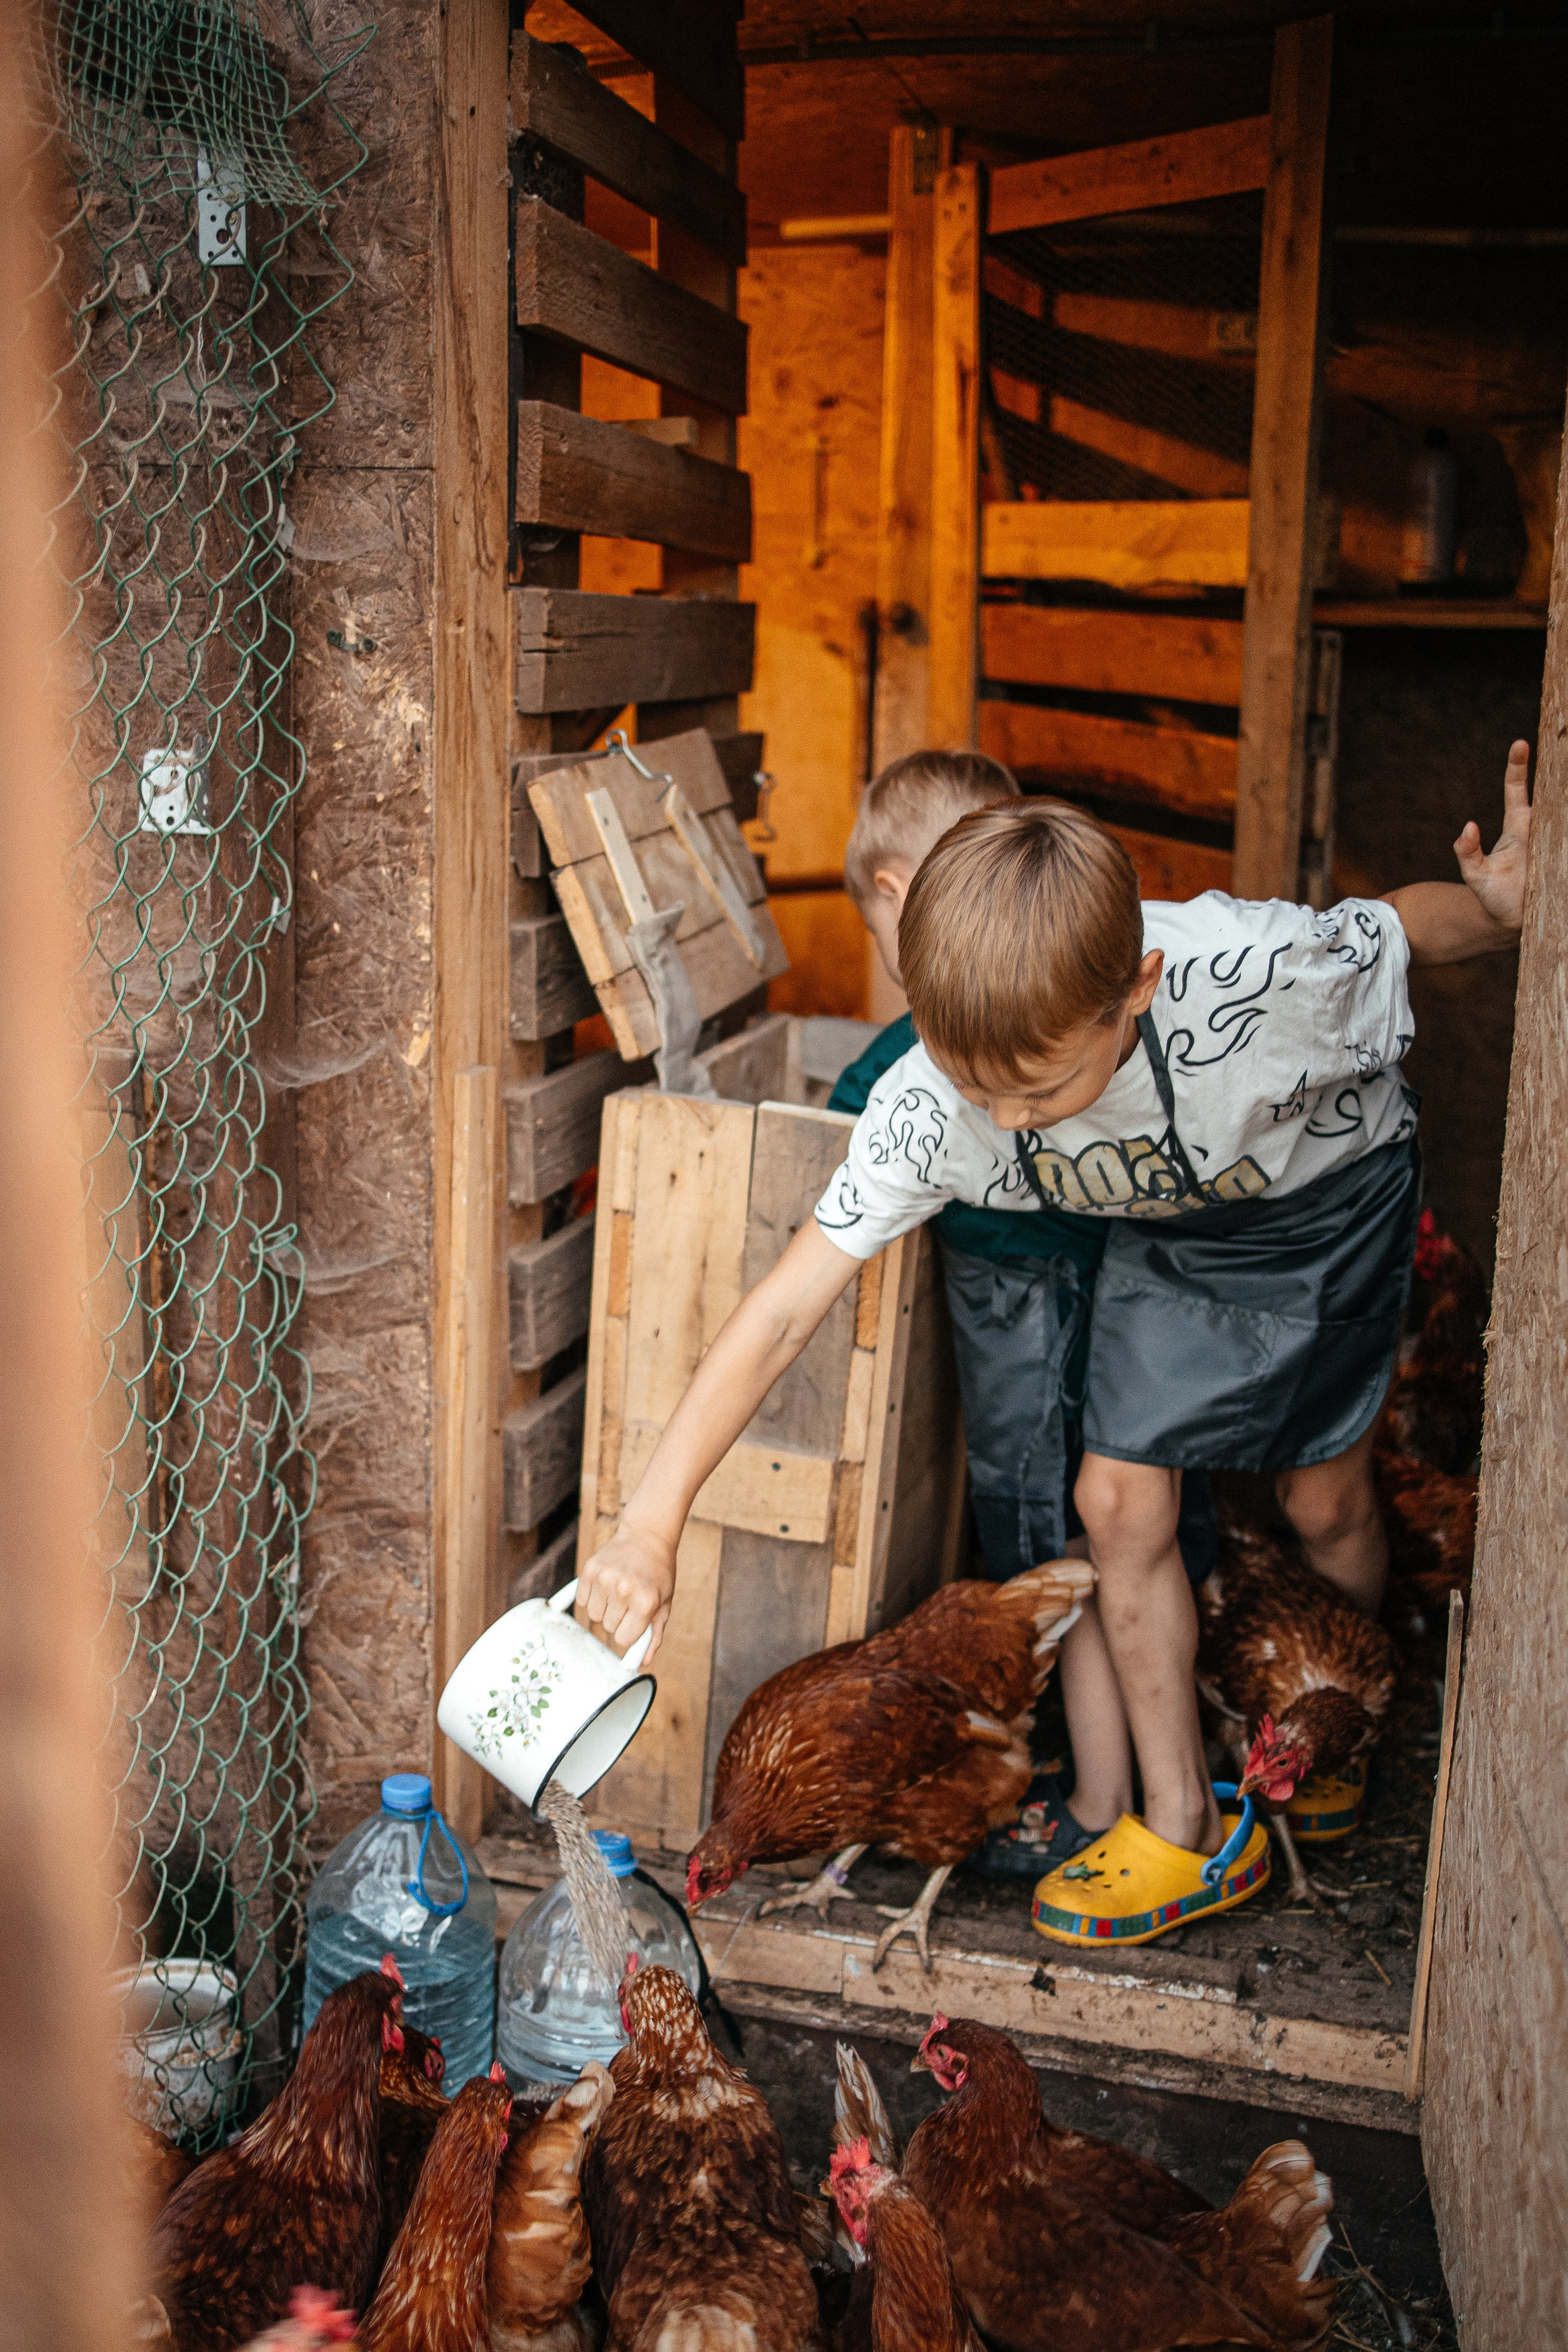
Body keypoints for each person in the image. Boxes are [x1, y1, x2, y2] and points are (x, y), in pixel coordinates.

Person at [577, 743, 1531, 1946]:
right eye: (979, 1089)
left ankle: (1343, 1726)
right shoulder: (938, 1099)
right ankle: (1182, 1825)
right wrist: (650, 1525)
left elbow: (1398, 928)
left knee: (1324, 1503)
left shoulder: (1254, 975)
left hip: (1322, 1202)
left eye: (1035, 1090)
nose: (1004, 1123)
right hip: (1157, 1220)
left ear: (1134, 988)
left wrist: (1501, 912)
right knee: (1116, 1498)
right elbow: (781, 1307)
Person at [832, 749, 1218, 1877]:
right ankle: (1150, 1768)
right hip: (1126, 1273)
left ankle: (1092, 1796)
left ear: (901, 899)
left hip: (1014, 1289)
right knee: (1136, 1517)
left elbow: (850, 1106)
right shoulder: (1067, 1008)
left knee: (1038, 1531)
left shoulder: (926, 1049)